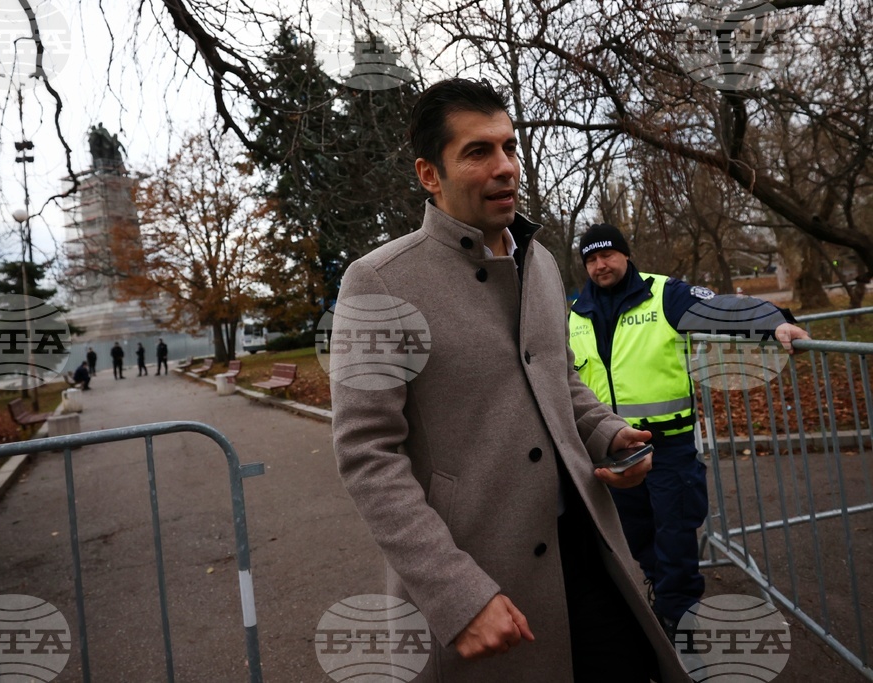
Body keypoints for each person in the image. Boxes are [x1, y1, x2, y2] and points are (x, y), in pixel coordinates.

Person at [331, 78, 688, 682]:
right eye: (478, 152)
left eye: (510, 147)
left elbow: (559, 376)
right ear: (429, 175)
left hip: (594, 556)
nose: (505, 167)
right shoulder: (378, 282)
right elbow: (368, 455)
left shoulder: (541, 261)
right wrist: (457, 593)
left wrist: (605, 431)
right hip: (483, 578)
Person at [568, 223, 810, 639]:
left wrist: (775, 322)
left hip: (669, 445)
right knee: (637, 531)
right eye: (591, 259)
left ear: (625, 255)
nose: (600, 265)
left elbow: (722, 309)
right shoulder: (573, 311)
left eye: (607, 255)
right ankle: (662, 593)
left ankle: (680, 618)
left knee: (675, 531)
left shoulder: (663, 293)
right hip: (612, 447)